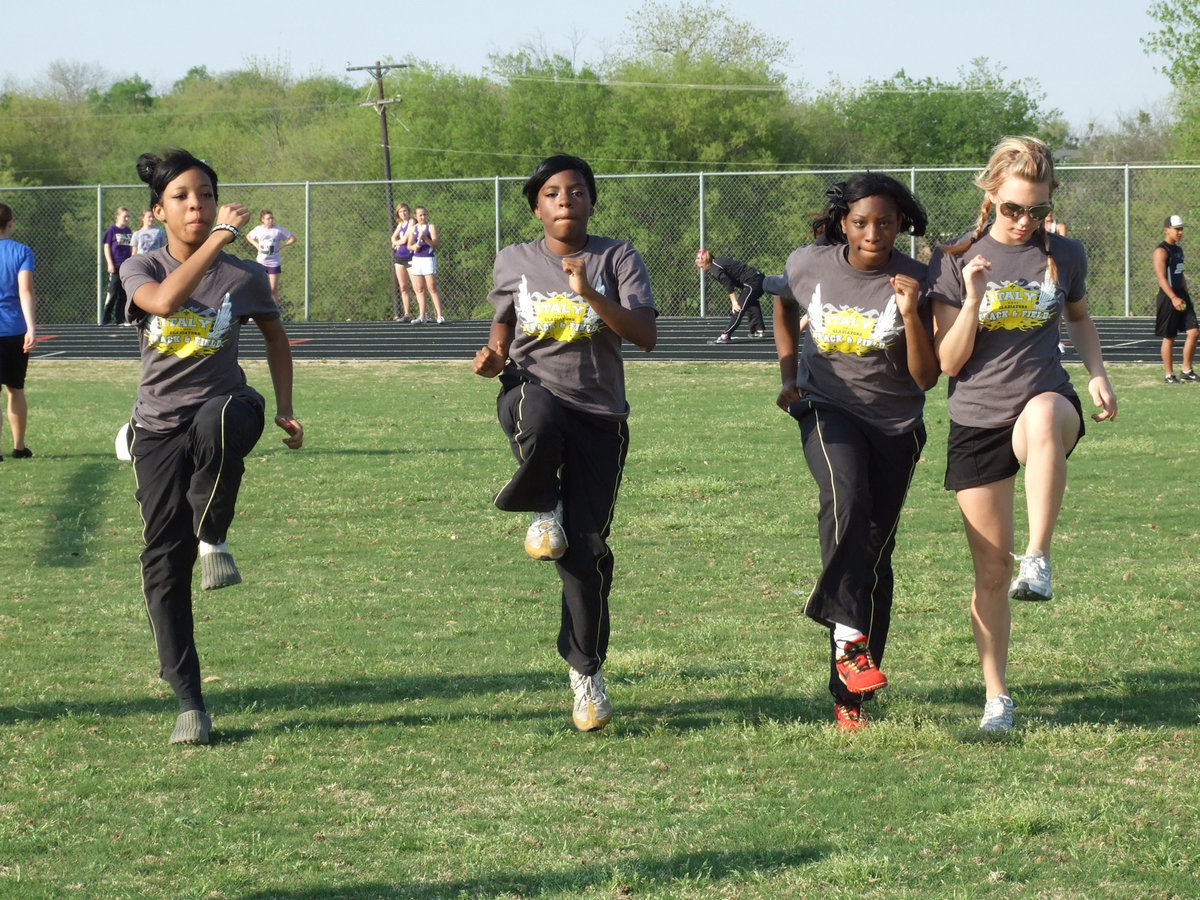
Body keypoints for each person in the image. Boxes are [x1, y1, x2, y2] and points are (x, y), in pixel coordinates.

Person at [926, 136, 1117, 733]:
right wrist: (976, 297)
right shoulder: (953, 258)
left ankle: (1038, 559)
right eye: (1013, 209)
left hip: (1045, 399)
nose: (1024, 222)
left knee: (1041, 414)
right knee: (987, 572)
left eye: (1036, 210)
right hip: (977, 418)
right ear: (990, 196)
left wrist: (1098, 376)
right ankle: (997, 700)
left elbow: (1080, 318)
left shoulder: (1065, 252)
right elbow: (948, 364)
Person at [120, 149, 304, 746]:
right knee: (162, 561)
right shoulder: (138, 265)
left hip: (229, 408)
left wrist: (284, 407)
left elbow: (276, 339)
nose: (195, 204)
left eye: (204, 193)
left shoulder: (245, 277)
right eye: (181, 196)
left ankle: (214, 532)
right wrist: (221, 238)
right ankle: (189, 702)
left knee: (223, 412)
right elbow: (165, 302)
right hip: (156, 430)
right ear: (159, 210)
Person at [472, 154, 657, 732]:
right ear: (536, 206)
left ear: (591, 201)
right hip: (530, 393)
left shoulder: (617, 257)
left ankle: (586, 672)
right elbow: (505, 322)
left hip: (601, 415)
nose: (564, 201)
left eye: (576, 192)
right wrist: (494, 353)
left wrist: (590, 294)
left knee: (586, 557)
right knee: (542, 412)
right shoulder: (514, 260)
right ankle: (542, 505)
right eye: (552, 193)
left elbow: (646, 335)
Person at [772, 174, 938, 733]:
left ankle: (850, 700)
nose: (874, 233)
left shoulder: (919, 277)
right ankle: (850, 642)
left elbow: (927, 377)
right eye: (862, 222)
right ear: (843, 222)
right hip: (827, 408)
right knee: (845, 495)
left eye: (886, 223)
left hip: (896, 425)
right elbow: (782, 299)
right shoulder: (809, 264)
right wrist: (789, 372)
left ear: (901, 225)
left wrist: (912, 313)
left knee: (874, 555)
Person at [0, 202, 36, 460]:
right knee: (15, 388)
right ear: (10, 223)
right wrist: (31, 327)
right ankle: (19, 447)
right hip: (14, 329)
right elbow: (25, 291)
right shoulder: (22, 251)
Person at [1153, 214, 1198, 383]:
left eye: (1181, 229)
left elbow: (1180, 274)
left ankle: (1186, 370)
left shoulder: (1178, 250)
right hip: (1168, 298)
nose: (1180, 232)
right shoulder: (1161, 251)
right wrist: (1173, 297)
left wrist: (1185, 293)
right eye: (1177, 229)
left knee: (1194, 332)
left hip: (1181, 295)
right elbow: (1161, 277)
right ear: (1167, 230)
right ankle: (1169, 374)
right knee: (1169, 336)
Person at [696, 249, 766, 342]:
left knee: (738, 308)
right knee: (751, 303)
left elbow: (728, 283)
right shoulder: (718, 261)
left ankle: (725, 335)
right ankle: (758, 330)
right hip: (758, 278)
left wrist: (734, 301)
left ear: (706, 262)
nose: (702, 269)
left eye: (701, 266)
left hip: (753, 282)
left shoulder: (714, 268)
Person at [245, 210, 296, 305]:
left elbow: (293, 238)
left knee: (273, 290)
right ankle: (255, 312)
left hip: (274, 263)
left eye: (272, 218)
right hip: (261, 263)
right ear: (262, 220)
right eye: (268, 218)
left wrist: (282, 246)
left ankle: (274, 314)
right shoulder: (258, 229)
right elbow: (248, 236)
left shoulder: (278, 230)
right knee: (258, 288)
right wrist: (256, 244)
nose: (271, 220)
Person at [407, 206, 445, 323]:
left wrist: (425, 239)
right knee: (419, 288)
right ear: (415, 216)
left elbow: (436, 245)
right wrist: (414, 247)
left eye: (424, 214)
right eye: (420, 215)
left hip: (428, 259)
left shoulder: (431, 227)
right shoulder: (413, 228)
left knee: (432, 287)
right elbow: (409, 245)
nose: (423, 217)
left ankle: (439, 315)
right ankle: (422, 315)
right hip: (417, 259)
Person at [101, 206, 133, 325]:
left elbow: (131, 248)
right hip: (115, 265)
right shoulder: (112, 230)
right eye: (124, 216)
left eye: (128, 217)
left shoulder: (128, 231)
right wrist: (110, 263)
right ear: (118, 216)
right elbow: (106, 247)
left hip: (126, 266)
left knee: (123, 294)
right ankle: (106, 319)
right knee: (113, 292)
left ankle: (120, 319)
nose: (126, 219)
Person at [390, 203, 415, 323]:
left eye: (405, 211)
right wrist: (395, 242)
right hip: (399, 258)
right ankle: (407, 313)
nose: (403, 213)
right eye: (400, 212)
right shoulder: (401, 224)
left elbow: (405, 239)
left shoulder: (411, 222)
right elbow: (393, 237)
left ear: (408, 212)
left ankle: (423, 313)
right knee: (403, 287)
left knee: (417, 287)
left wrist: (396, 243)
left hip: (410, 258)